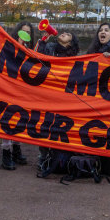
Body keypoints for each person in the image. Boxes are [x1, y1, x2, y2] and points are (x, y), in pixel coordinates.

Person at [35, 31, 80, 175]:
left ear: (71, 41)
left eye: (68, 34)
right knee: (45, 124)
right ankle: (43, 156)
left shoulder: (76, 57)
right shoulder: (49, 47)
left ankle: (57, 157)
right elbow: (36, 56)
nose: (64, 33)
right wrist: (42, 41)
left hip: (65, 96)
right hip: (48, 92)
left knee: (59, 126)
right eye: (63, 32)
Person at [1, 22, 35, 170]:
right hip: (8, 89)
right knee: (7, 119)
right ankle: (6, 152)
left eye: (28, 32)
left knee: (19, 120)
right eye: (23, 31)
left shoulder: (31, 50)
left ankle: (16, 148)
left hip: (22, 91)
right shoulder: (8, 47)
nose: (25, 34)